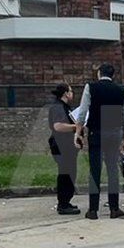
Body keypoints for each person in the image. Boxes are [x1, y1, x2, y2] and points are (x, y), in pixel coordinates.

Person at [74, 64, 124, 220]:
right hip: (114, 133)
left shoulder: (91, 87)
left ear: (99, 74)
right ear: (112, 75)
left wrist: (78, 132)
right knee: (113, 170)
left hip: (96, 132)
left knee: (95, 170)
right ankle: (114, 208)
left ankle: (93, 210)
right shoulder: (120, 90)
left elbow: (83, 111)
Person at [47, 83, 80, 216]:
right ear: (66, 93)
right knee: (66, 174)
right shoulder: (58, 107)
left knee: (69, 173)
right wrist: (75, 126)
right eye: (71, 91)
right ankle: (63, 204)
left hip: (66, 146)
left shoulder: (63, 107)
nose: (72, 93)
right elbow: (58, 126)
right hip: (61, 146)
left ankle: (66, 201)